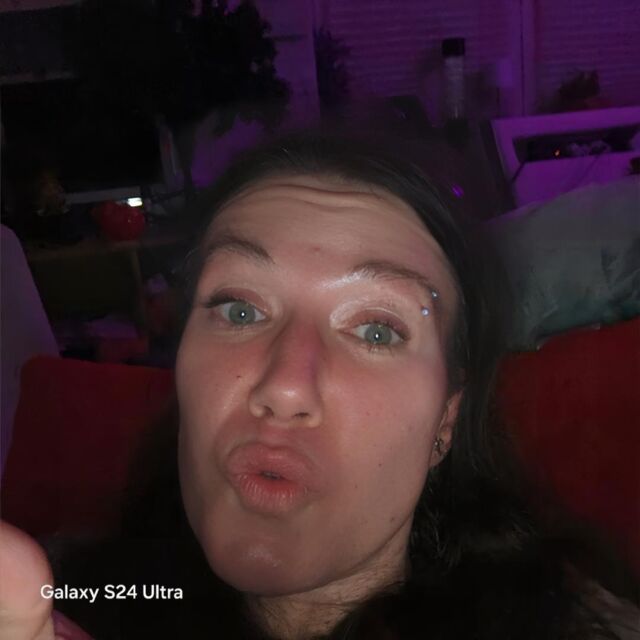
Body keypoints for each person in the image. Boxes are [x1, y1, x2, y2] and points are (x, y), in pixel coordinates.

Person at [0, 132, 637, 640]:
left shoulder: (570, 624)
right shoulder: (68, 590)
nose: (285, 387)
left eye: (377, 331)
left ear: (446, 420)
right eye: (240, 310)